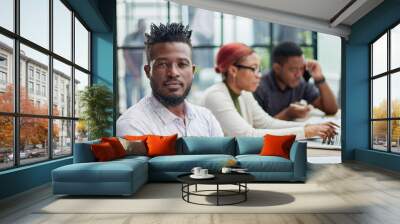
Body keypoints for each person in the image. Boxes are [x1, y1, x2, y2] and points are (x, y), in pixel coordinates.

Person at [201, 42, 337, 140]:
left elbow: (267, 123)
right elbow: (247, 136)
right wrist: (306, 132)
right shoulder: (216, 96)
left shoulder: (244, 93)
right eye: (253, 68)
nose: (258, 75)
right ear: (233, 70)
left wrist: (310, 126)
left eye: (259, 69)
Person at [117, 23, 223, 137]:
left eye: (182, 64)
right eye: (162, 64)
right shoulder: (132, 124)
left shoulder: (207, 119)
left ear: (192, 71)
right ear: (148, 71)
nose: (173, 73)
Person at [253, 42, 338, 121]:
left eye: (301, 68)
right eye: (293, 69)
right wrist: (287, 114)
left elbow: (331, 110)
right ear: (277, 68)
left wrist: (319, 78)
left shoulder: (300, 83)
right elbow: (257, 127)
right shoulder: (258, 87)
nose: (299, 74)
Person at [123, 19, 146, 108]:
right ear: (138, 26)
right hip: (130, 72)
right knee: (129, 97)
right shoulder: (129, 38)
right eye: (142, 26)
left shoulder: (145, 38)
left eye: (145, 26)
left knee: (142, 97)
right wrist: (134, 70)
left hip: (141, 73)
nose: (143, 28)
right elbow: (126, 54)